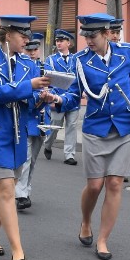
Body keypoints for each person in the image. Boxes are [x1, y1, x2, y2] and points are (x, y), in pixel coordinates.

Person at [54, 13, 130, 260]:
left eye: (93, 36)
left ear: (107, 34)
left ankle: (103, 239)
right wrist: (58, 100)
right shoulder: (80, 60)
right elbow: (74, 94)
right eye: (85, 36)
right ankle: (86, 221)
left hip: (125, 128)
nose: (88, 41)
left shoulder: (125, 53)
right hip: (96, 128)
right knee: (95, 185)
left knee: (115, 183)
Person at [0, 16, 53, 260]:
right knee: (7, 190)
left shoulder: (28, 65)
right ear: (8, 35)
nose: (27, 40)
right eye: (23, 35)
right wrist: (28, 86)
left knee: (4, 190)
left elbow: (28, 105)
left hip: (17, 138)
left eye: (28, 36)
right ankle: (18, 250)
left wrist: (42, 99)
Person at [15, 33, 49, 210]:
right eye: (29, 50)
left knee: (34, 158)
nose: (32, 53)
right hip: (27, 115)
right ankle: (20, 194)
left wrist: (49, 96)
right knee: (26, 157)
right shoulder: (22, 66)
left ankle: (26, 189)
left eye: (35, 49)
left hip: (42, 116)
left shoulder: (45, 66)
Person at [43, 29, 79, 165]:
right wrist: (49, 97)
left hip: (73, 98)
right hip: (57, 98)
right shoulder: (51, 60)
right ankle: (47, 145)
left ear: (68, 43)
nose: (58, 43)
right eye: (57, 41)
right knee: (54, 126)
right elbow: (47, 79)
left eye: (61, 41)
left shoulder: (76, 59)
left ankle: (69, 155)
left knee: (72, 126)